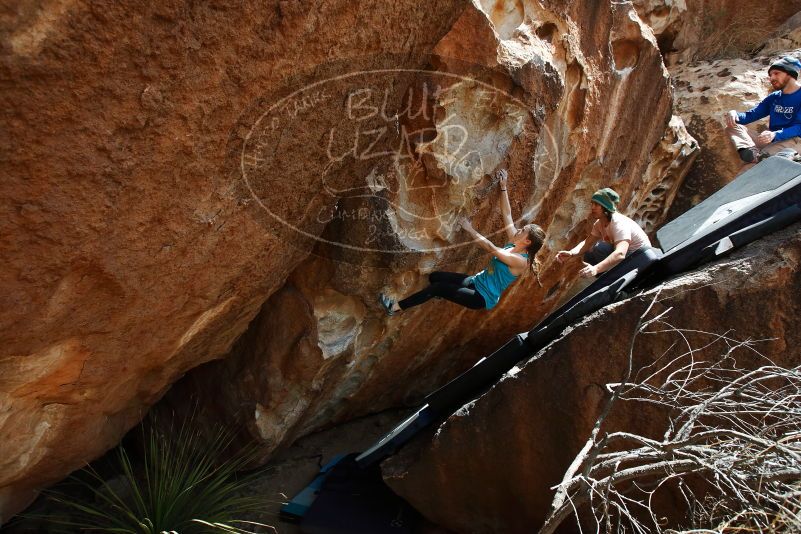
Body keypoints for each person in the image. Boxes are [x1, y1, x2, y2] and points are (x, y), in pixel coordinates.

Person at [379, 170, 545, 315]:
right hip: (476, 281)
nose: (519, 230)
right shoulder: (515, 242)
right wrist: (503, 186)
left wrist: (469, 229)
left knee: (437, 288)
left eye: (523, 231)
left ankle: (395, 308)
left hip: (481, 297)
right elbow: (507, 216)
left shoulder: (520, 261)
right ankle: (442, 292)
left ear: (527, 241)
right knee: (434, 277)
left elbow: (491, 248)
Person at [555, 187, 650, 278]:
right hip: (629, 256)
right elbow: (587, 243)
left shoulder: (618, 223)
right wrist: (571, 253)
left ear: (606, 207)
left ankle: (614, 279)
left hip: (641, 257)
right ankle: (607, 276)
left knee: (601, 248)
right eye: (592, 204)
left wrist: (596, 269)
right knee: (594, 250)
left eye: (596, 204)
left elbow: (620, 253)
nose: (592, 207)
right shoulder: (600, 223)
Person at [725, 55, 801, 163]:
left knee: (755, 165)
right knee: (732, 126)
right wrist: (734, 114)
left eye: (776, 73)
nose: (772, 78)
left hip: (795, 140)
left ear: (790, 73)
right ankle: (755, 154)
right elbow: (751, 115)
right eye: (770, 75)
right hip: (772, 140)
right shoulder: (774, 97)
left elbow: (799, 128)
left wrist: (775, 134)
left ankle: (761, 157)